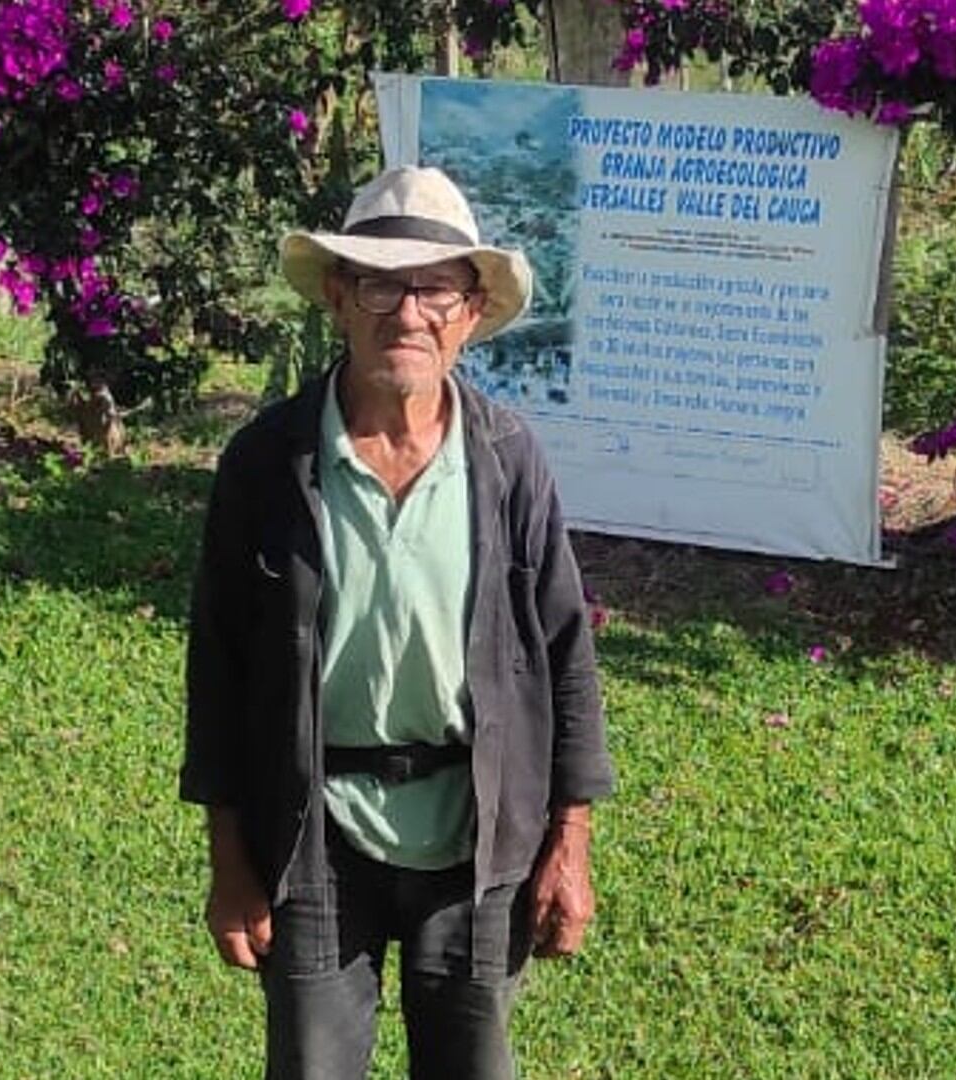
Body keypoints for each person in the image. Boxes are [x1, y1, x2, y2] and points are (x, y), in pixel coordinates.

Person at [181, 165, 615, 1080]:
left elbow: (567, 656)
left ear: (469, 311)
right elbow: (218, 673)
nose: (406, 312)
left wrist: (568, 847)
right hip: (313, 838)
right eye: (380, 282)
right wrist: (230, 864)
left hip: (476, 834)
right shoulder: (269, 462)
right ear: (339, 296)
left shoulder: (507, 460)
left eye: (434, 287)